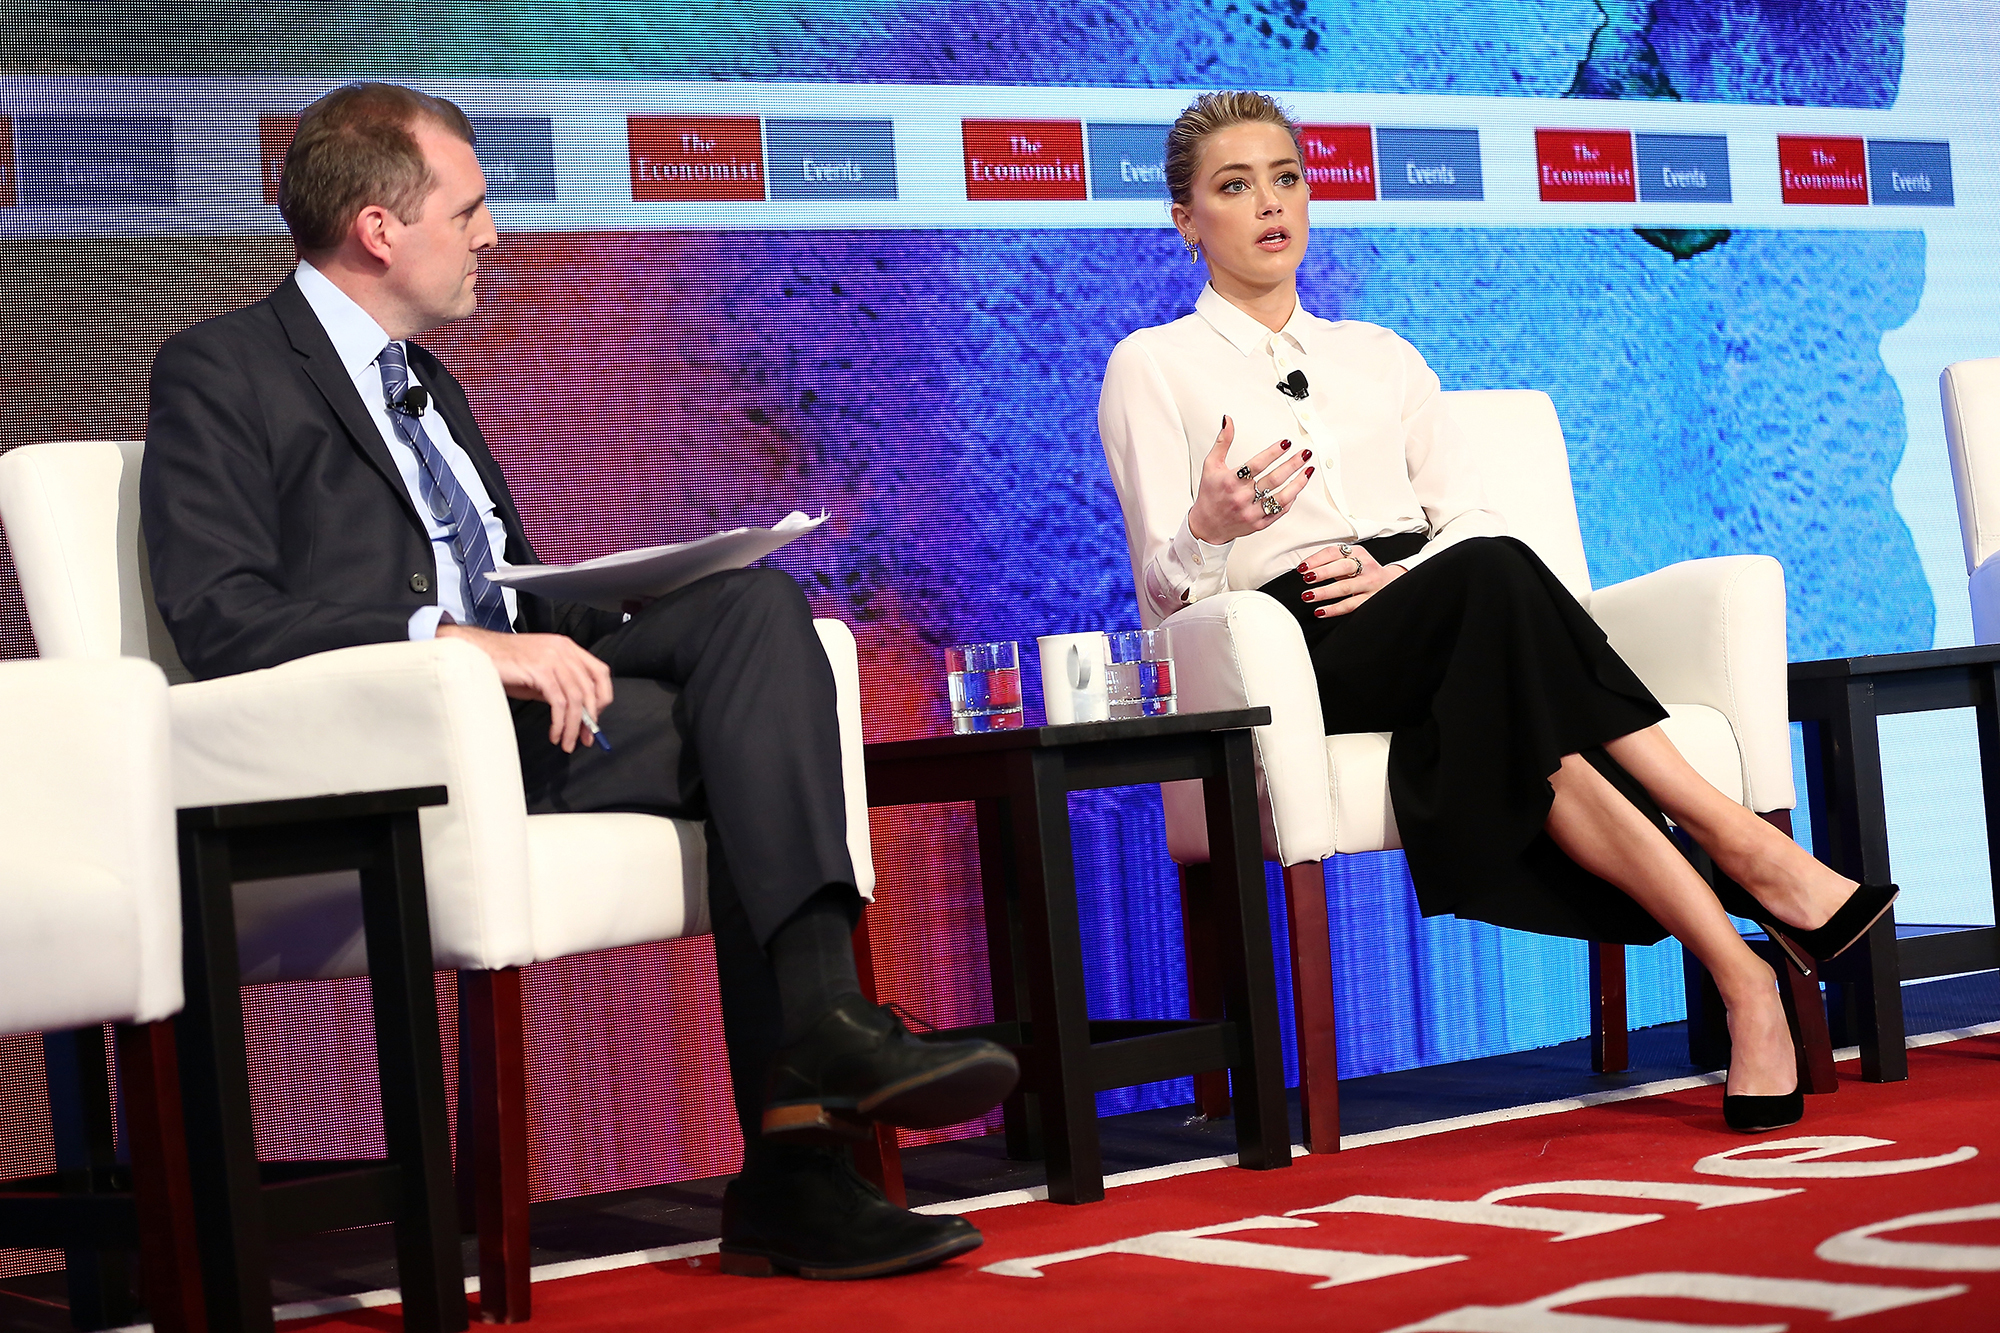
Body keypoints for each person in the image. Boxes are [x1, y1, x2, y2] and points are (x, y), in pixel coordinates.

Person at [142, 82, 1018, 1278]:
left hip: (526, 720)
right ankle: (798, 1160)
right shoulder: (220, 369)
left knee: (756, 611)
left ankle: (816, 1061)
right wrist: (449, 641)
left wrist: (634, 589)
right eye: (471, 208)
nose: (492, 235)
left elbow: (511, 586)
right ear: (379, 227)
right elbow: (218, 616)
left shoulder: (430, 384)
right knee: (749, 743)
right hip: (401, 747)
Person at [1098, 90, 1898, 1134]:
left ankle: (1744, 985)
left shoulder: (1378, 355)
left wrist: (1401, 580)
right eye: (1233, 186)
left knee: (1525, 685)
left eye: (1285, 178)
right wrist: (1207, 525)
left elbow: (1465, 513)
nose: (1268, 205)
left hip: (1430, 603)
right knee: (1499, 580)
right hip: (1291, 642)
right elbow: (1161, 593)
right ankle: (1739, 841)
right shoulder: (1151, 365)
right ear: (1184, 221)